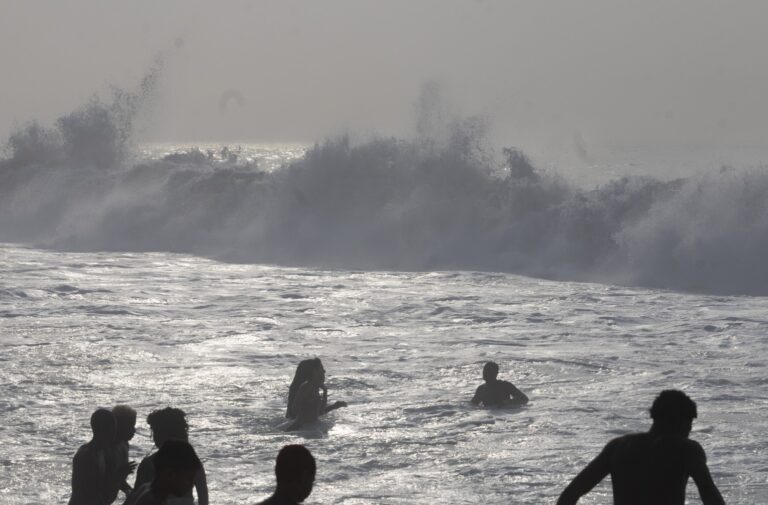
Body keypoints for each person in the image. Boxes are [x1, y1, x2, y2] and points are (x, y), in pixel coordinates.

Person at [556, 390, 725, 505]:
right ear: (684, 421)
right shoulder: (687, 449)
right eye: (690, 424)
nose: (690, 430)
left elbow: (571, 493)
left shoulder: (619, 446)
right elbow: (708, 493)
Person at [131, 407, 208, 505]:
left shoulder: (149, 463)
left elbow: (135, 497)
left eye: (154, 432)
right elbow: (203, 498)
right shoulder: (192, 463)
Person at [124, 440, 202, 505]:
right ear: (171, 474)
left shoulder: (146, 489)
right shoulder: (153, 502)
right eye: (189, 478)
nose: (192, 485)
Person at [68, 408, 117, 505]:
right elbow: (91, 490)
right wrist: (118, 476)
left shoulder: (101, 451)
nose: (115, 432)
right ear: (103, 429)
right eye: (113, 428)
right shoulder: (87, 455)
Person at [286, 358, 347, 431]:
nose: (324, 371)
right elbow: (295, 410)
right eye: (321, 369)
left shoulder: (315, 388)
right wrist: (304, 413)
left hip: (309, 427)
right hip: (301, 427)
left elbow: (319, 412)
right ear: (314, 371)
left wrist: (333, 405)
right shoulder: (306, 387)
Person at [108, 405, 138, 501]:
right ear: (119, 426)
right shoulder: (106, 450)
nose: (134, 430)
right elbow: (99, 482)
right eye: (131, 426)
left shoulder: (124, 444)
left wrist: (129, 490)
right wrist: (121, 473)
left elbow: (120, 481)